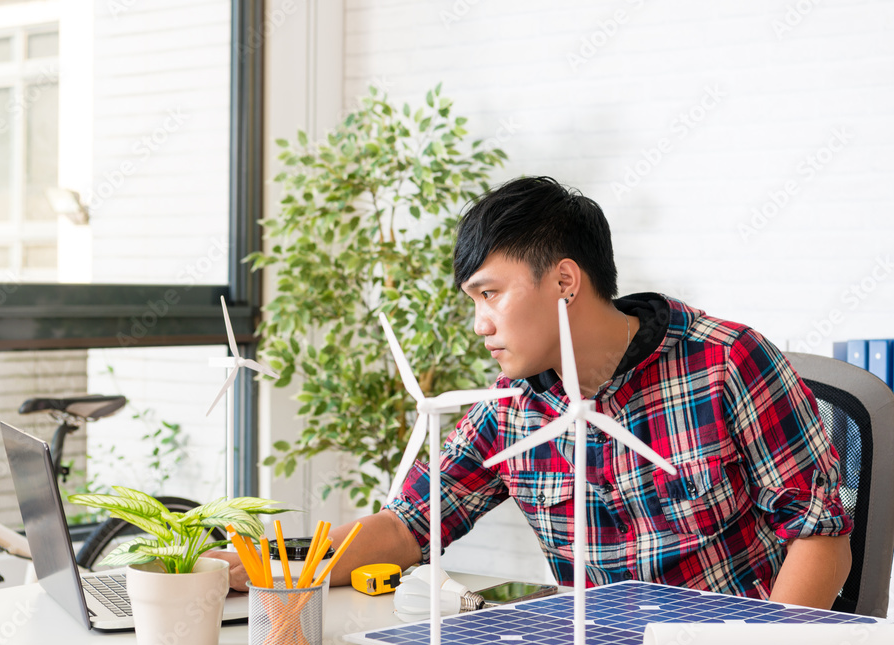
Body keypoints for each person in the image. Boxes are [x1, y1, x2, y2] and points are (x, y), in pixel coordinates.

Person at [210, 176, 852, 609]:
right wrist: (279, 566)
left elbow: (821, 537)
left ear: (565, 280)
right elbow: (409, 525)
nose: (480, 322)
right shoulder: (509, 409)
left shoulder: (727, 362)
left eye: (490, 293)